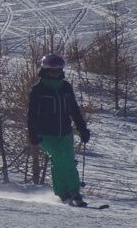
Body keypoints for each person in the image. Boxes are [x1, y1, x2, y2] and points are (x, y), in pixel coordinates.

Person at [28, 53, 91, 206]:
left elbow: (74, 110)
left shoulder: (66, 87)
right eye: (52, 70)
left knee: (69, 161)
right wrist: (33, 133)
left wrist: (82, 129)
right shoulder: (38, 90)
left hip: (65, 133)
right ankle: (63, 192)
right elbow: (32, 114)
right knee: (60, 159)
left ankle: (75, 193)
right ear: (45, 70)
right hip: (46, 134)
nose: (55, 73)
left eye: (58, 70)